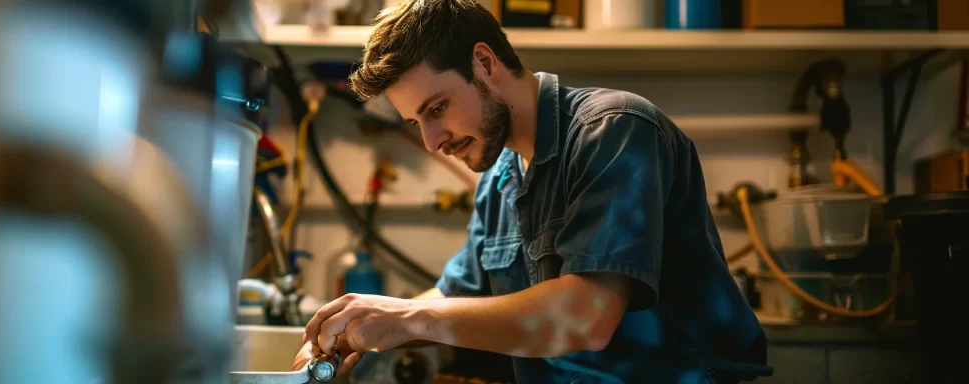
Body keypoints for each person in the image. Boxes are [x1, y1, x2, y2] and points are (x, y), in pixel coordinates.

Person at [292, 0, 773, 382]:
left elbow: (589, 316)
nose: (432, 142)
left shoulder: (613, 130)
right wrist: (355, 329)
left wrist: (404, 316)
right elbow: (455, 297)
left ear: (484, 62)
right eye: (416, 122)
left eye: (436, 108)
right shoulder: (500, 178)